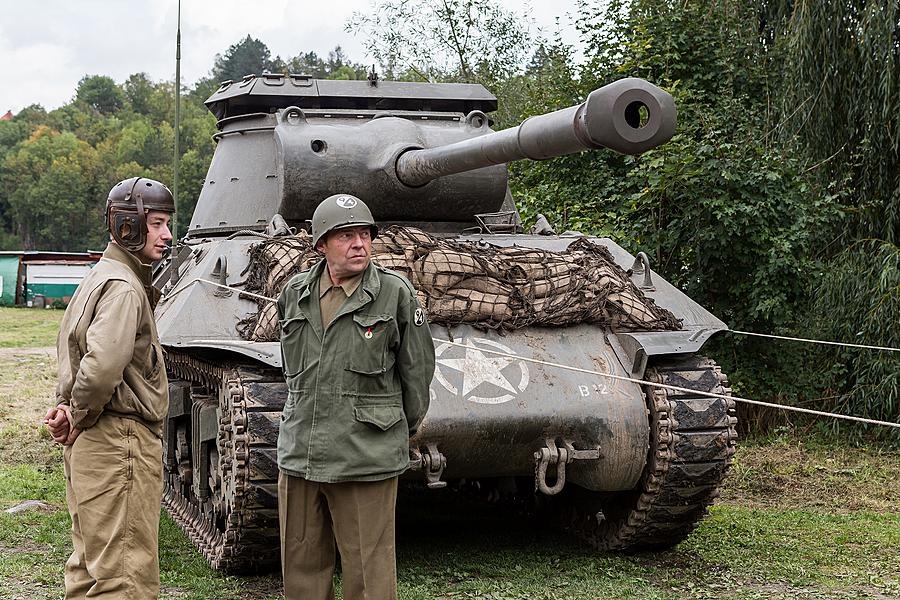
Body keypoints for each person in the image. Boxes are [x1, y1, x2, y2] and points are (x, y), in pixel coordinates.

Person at [276, 193, 435, 600]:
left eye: (364, 234)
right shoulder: (295, 294)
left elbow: (416, 374)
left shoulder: (394, 294)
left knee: (369, 571)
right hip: (302, 451)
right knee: (302, 567)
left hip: (365, 453)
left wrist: (394, 428)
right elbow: (293, 369)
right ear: (321, 244)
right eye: (346, 236)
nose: (359, 244)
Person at [43, 176, 174, 599]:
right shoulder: (123, 287)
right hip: (121, 443)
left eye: (167, 223)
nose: (167, 234)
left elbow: (80, 356)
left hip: (95, 443)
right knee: (124, 576)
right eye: (155, 223)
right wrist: (79, 415)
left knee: (88, 569)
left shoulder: (101, 275)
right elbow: (101, 368)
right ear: (128, 226)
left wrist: (68, 409)